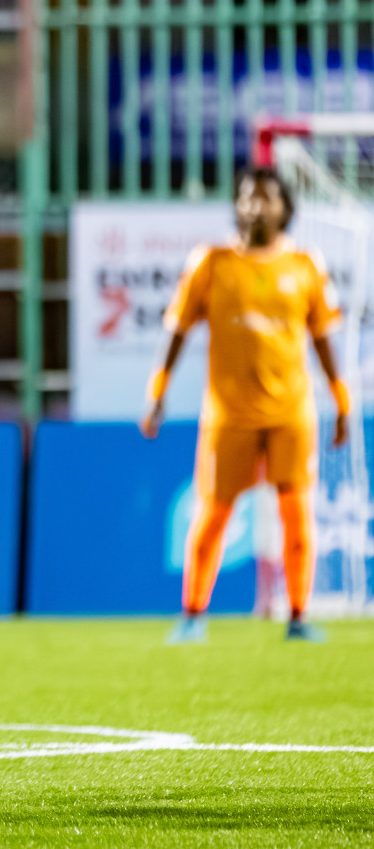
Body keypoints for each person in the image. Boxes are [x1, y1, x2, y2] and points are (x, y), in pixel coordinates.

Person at [142, 167, 349, 644]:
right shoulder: (210, 263)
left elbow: (322, 339)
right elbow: (176, 330)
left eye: (267, 198)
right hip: (228, 415)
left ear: (284, 209)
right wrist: (158, 392)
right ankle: (193, 615)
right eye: (248, 198)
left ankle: (297, 616)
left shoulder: (304, 265)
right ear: (237, 205)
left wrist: (341, 399)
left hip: (290, 413)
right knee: (213, 514)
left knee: (296, 513)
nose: (257, 206)